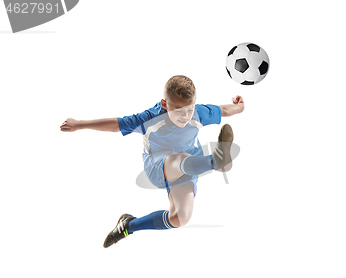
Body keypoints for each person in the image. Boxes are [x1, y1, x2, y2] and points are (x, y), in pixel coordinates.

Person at [60, 75, 244, 248]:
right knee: (179, 158)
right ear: (165, 104)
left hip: (190, 167)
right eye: (179, 110)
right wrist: (79, 124)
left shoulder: (198, 114)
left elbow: (225, 110)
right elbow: (116, 124)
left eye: (189, 109)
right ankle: (215, 161)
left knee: (180, 218)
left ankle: (128, 225)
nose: (185, 116)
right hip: (158, 166)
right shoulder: (150, 118)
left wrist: (240, 106)